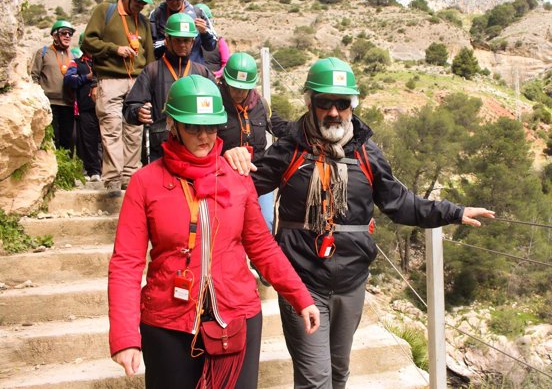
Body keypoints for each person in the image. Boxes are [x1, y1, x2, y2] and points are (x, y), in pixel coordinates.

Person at [225, 57, 495, 389]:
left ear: (352, 106)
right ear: (311, 103)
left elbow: (400, 204)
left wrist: (453, 212)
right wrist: (226, 159)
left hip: (351, 281)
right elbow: (239, 188)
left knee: (338, 373)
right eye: (325, 103)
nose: (334, 112)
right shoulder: (290, 149)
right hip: (301, 279)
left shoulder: (367, 153)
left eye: (342, 103)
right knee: (315, 379)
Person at [108, 75, 320, 389]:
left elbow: (262, 246)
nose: (204, 136)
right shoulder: (145, 182)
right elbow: (127, 263)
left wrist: (301, 297)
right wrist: (125, 336)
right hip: (168, 323)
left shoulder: (236, 177)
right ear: (174, 125)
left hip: (237, 316)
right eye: (194, 127)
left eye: (211, 127)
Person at [82, 0, 155, 196]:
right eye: (138, 1)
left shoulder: (142, 21)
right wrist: (115, 49)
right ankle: (112, 178)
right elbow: (88, 41)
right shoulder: (106, 11)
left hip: (137, 81)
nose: (140, 6)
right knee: (112, 127)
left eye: (144, 3)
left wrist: (149, 83)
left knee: (134, 130)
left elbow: (149, 54)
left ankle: (130, 176)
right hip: (110, 79)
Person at [124, 13, 215, 164]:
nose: (182, 45)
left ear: (193, 42)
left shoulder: (203, 73)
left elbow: (218, 109)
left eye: (186, 40)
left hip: (195, 150)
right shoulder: (152, 71)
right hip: (161, 150)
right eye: (178, 40)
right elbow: (129, 108)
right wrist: (138, 112)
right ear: (167, 40)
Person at [217, 52, 289, 229]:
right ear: (225, 82)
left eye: (244, 88)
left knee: (265, 225)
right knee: (228, 229)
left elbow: (281, 128)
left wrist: (309, 127)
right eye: (234, 87)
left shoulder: (261, 106)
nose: (239, 92)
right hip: (224, 179)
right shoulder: (215, 105)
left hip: (257, 179)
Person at [149, 0, 217, 65]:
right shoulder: (157, 14)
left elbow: (211, 46)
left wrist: (204, 33)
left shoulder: (198, 13)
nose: (174, 2)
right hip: (167, 71)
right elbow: (150, 47)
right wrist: (167, 42)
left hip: (193, 72)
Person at [31, 20, 77, 151]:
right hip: (49, 103)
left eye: (70, 33)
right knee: (53, 138)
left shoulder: (73, 55)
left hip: (68, 103)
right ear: (55, 35)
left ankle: (66, 169)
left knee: (68, 140)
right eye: (64, 33)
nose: (67, 36)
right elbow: (34, 76)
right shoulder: (43, 52)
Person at [64, 32, 102, 181]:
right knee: (89, 140)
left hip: (105, 106)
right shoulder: (76, 63)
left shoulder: (104, 63)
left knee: (106, 139)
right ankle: (93, 171)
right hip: (85, 108)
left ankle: (107, 169)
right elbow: (68, 80)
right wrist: (86, 78)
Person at [195, 3, 229, 79]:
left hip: (214, 81)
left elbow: (226, 64)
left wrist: (217, 74)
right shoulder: (189, 41)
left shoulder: (219, 41)